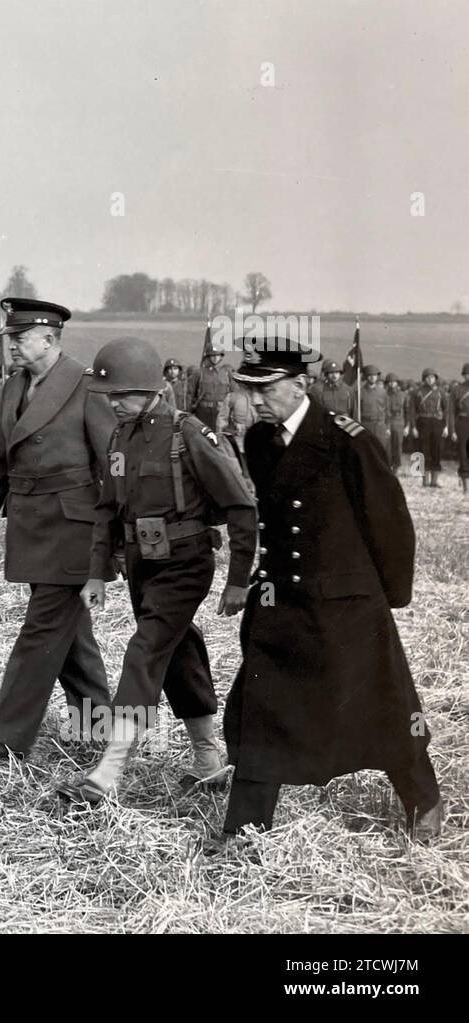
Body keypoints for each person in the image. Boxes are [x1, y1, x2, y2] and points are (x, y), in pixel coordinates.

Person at [217, 338, 442, 844]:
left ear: (300, 384)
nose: (255, 401)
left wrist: (387, 598)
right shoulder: (258, 442)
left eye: (266, 389)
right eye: (249, 389)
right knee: (264, 707)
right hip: (283, 601)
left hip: (347, 603)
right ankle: (246, 827)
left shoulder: (347, 440)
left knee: (380, 705)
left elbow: (390, 523)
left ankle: (423, 798)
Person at [54, 337, 256, 806]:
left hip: (186, 563)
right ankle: (208, 758)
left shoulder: (189, 434)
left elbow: (241, 506)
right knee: (177, 650)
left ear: (152, 389)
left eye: (123, 394)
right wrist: (97, 573)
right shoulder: (120, 438)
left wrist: (239, 580)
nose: (115, 404)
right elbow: (106, 510)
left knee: (144, 651)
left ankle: (108, 770)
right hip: (143, 566)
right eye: (110, 396)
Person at [0, 298, 115, 759]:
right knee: (68, 632)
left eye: (20, 339)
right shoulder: (12, 389)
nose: (12, 348)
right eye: (10, 340)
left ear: (49, 338)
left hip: (74, 529)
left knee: (42, 629)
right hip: (30, 528)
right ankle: (95, 720)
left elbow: (113, 464)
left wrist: (114, 540)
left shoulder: (87, 386)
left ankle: (6, 734)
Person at [411, 368, 450, 487]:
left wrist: (446, 426)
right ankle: (424, 480)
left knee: (436, 450)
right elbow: (412, 410)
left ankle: (434, 480)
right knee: (423, 450)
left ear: (435, 378)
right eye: (427, 377)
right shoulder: (417, 392)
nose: (430, 379)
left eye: (432, 377)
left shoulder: (441, 392)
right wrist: (413, 427)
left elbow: (447, 410)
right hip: (423, 423)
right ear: (424, 379)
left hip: (437, 423)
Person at [186, 350, 233, 429]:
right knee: (202, 435)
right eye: (212, 355)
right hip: (203, 411)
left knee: (220, 435)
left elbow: (233, 393)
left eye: (217, 355)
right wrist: (188, 411)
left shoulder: (226, 373)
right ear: (208, 357)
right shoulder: (199, 372)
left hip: (221, 412)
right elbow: (190, 394)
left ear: (221, 357)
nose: (215, 358)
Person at [216, 380, 256, 455]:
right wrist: (219, 438)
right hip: (237, 436)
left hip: (254, 436)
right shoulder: (232, 396)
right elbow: (222, 418)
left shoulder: (256, 396)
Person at [450, 361, 469, 493]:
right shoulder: (457, 390)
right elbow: (451, 411)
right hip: (462, 422)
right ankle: (465, 486)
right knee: (463, 452)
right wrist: (452, 430)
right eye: (467, 374)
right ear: (463, 375)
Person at [383, 373, 406, 473]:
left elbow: (407, 410)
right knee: (387, 446)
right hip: (386, 421)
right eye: (390, 382)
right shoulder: (384, 394)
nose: (392, 384)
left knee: (397, 446)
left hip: (398, 421)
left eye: (394, 382)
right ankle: (387, 466)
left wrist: (407, 425)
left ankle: (396, 468)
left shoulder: (402, 395)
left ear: (397, 383)